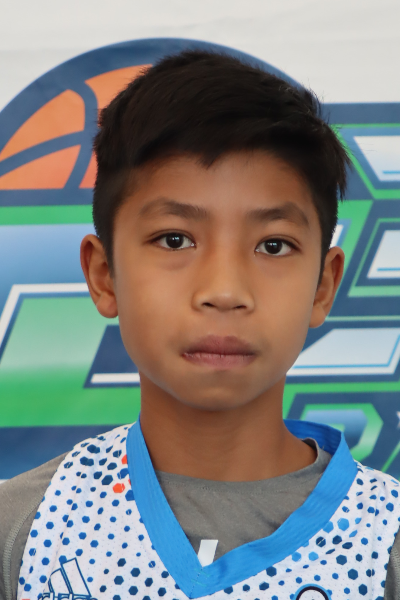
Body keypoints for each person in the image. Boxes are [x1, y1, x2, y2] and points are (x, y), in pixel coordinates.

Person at [0, 50, 399, 600]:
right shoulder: (23, 531)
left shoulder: (386, 544)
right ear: (104, 275)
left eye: (273, 245)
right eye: (175, 240)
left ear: (323, 286)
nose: (225, 291)